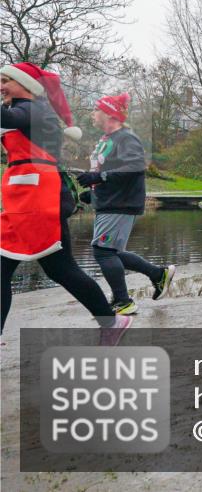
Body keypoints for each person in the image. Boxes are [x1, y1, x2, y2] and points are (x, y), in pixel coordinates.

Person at [1, 62, 131, 345]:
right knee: (53, 269)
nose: (1, 86)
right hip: (26, 199)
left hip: (40, 200)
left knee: (59, 269)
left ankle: (112, 321)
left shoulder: (33, 110)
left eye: (5, 80)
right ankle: (112, 321)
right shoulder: (23, 112)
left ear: (26, 84)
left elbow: (10, 119)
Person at [77, 93, 175, 315]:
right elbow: (106, 171)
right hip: (109, 202)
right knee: (111, 252)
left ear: (109, 113)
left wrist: (98, 179)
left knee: (103, 251)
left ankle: (123, 301)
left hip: (120, 204)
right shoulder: (106, 139)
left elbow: (135, 166)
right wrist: (93, 193)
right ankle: (158, 275)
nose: (92, 114)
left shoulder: (125, 138)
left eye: (96, 109)